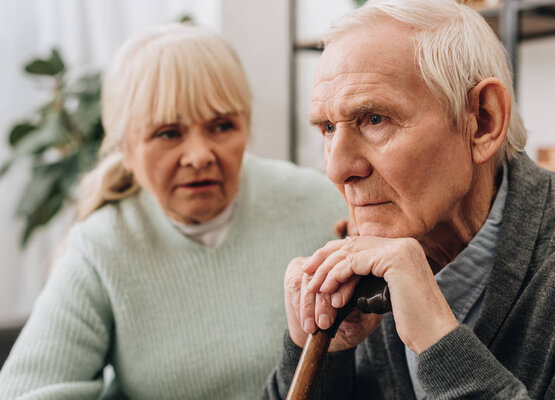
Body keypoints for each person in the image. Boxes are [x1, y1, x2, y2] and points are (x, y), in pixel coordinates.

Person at [264, 0, 555, 399]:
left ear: (483, 121)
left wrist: (440, 343)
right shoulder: (362, 266)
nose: (337, 170)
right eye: (327, 127)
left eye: (374, 119)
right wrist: (320, 356)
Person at [0, 23, 348, 399]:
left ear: (246, 127)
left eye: (221, 126)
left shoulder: (320, 202)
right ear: (126, 148)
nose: (199, 156)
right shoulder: (102, 245)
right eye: (168, 133)